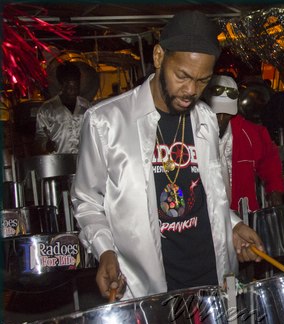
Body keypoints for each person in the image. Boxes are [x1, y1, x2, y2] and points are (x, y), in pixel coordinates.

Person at [71, 10, 263, 300]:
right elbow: (87, 201)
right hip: (147, 287)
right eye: (182, 76)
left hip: (213, 281)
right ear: (159, 56)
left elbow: (209, 196)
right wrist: (104, 249)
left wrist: (233, 226)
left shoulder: (206, 119)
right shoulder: (105, 122)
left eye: (202, 81)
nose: (190, 91)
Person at [206, 74, 284, 212]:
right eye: (217, 113)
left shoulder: (250, 133)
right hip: (206, 216)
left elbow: (269, 160)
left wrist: (274, 189)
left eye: (226, 113)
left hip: (242, 215)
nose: (221, 119)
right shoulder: (194, 132)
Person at [35, 62, 90, 154]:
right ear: (62, 85)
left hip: (83, 161)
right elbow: (40, 137)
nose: (73, 91)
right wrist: (45, 145)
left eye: (76, 87)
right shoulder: (46, 109)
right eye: (70, 87)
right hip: (58, 163)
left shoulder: (86, 106)